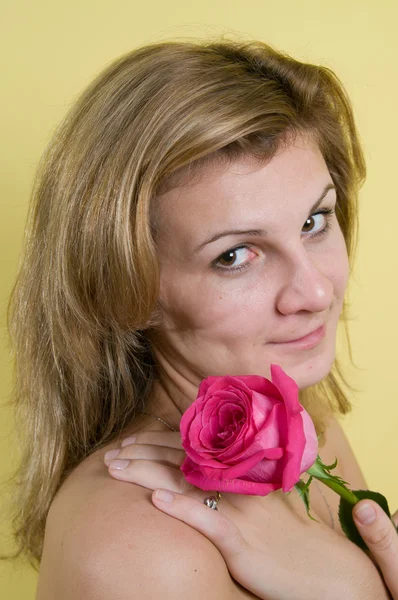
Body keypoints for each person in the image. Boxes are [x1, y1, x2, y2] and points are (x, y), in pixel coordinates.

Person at [5, 37, 397, 599]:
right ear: (129, 293)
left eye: (315, 220)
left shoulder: (304, 425)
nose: (314, 290)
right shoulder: (138, 554)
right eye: (234, 255)